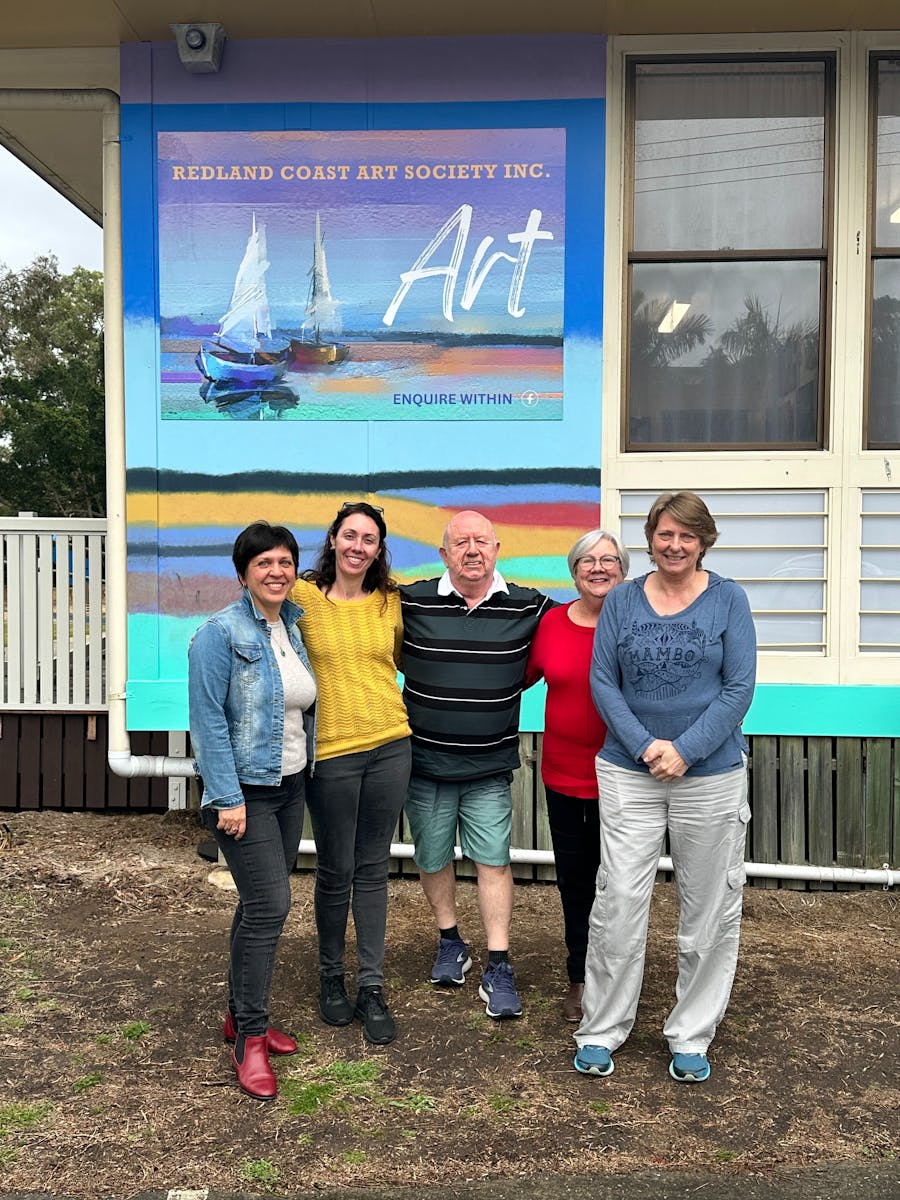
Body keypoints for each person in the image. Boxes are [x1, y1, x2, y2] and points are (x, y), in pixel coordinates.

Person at [575, 492, 756, 1083]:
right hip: (630, 771)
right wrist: (648, 747)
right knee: (620, 900)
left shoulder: (729, 600)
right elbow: (604, 682)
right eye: (663, 534)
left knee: (707, 908)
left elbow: (738, 689)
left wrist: (686, 750)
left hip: (712, 775)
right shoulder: (623, 601)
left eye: (686, 535)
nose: (674, 545)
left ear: (704, 541)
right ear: (649, 539)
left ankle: (691, 1035)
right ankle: (601, 1029)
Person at [400, 510, 553, 1020]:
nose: (472, 550)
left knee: (494, 861)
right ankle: (450, 940)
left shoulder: (531, 608)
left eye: (481, 541)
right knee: (432, 858)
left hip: (489, 768)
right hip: (424, 764)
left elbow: (579, 626)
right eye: (460, 542)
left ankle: (499, 963)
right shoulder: (409, 601)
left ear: (497, 548)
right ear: (443, 553)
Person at [188, 521, 317, 1102]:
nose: (276, 572)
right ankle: (252, 1039)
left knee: (257, 905)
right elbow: (208, 721)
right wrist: (227, 797)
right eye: (263, 562)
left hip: (290, 785)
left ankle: (239, 1017)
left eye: (285, 562)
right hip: (246, 792)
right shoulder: (219, 633)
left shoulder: (292, 627)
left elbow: (295, 709)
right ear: (243, 573)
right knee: (270, 906)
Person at [290, 501, 411, 1046]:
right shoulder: (301, 597)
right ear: (334, 540)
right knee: (336, 869)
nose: (359, 546)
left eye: (370, 539)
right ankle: (330, 979)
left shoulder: (392, 601)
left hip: (391, 744)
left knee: (373, 868)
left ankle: (371, 985)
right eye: (351, 536)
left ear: (379, 550)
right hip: (332, 754)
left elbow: (407, 661)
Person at [524, 529, 628, 1024]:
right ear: (573, 570)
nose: (598, 567)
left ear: (624, 570)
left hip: (628, 776)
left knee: (623, 882)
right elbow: (509, 678)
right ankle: (579, 975)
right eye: (587, 559)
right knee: (575, 881)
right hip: (564, 775)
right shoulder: (550, 625)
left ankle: (620, 975)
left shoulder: (638, 623)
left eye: (609, 559)